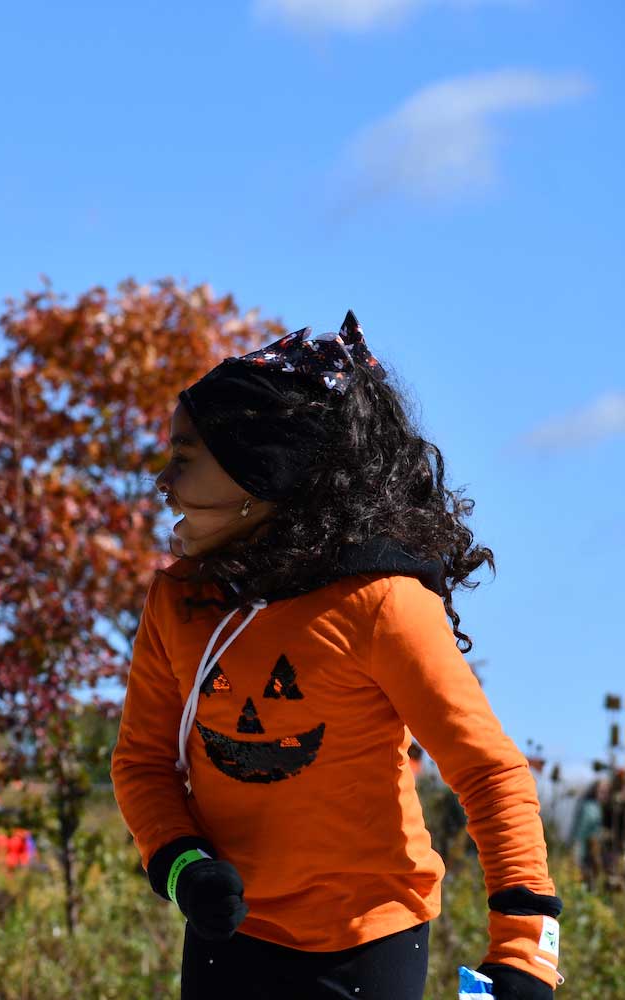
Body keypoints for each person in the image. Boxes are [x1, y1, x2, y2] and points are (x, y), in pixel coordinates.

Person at [111, 314, 561, 999]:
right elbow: (142, 761)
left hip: (370, 940)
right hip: (227, 939)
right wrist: (183, 866)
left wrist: (527, 950)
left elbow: (489, 773)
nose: (162, 479)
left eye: (185, 455)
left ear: (256, 475)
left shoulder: (382, 603)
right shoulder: (177, 600)